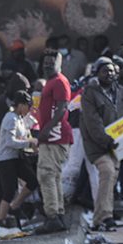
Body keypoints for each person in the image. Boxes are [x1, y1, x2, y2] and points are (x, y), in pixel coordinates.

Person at [80, 57, 123, 232]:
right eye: (105, 71)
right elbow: (93, 124)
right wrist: (107, 141)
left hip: (118, 145)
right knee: (107, 171)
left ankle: (99, 219)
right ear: (97, 73)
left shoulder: (122, 92)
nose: (109, 74)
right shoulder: (89, 94)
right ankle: (106, 216)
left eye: (112, 70)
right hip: (97, 145)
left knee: (110, 180)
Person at [35, 49, 73, 233]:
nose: (48, 65)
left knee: (46, 175)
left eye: (52, 62)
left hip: (54, 137)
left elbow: (61, 108)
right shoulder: (52, 81)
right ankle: (57, 215)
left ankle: (52, 217)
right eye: (45, 62)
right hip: (52, 136)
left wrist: (46, 130)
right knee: (53, 176)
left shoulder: (59, 81)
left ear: (60, 64)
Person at [0, 90, 40, 228]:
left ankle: (15, 205)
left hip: (15, 157)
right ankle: (0, 219)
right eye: (27, 106)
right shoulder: (10, 118)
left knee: (32, 180)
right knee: (9, 190)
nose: (28, 110)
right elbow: (9, 142)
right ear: (20, 105)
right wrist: (29, 143)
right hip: (5, 159)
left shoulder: (20, 119)